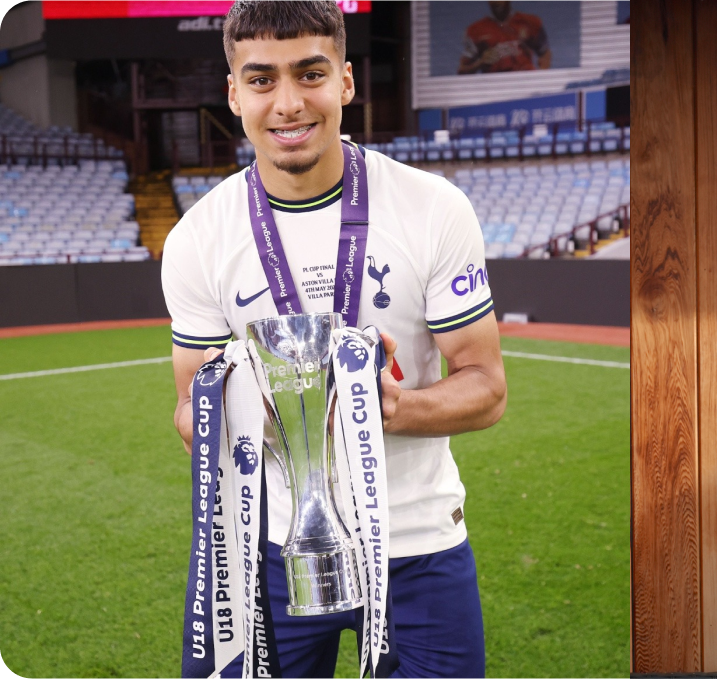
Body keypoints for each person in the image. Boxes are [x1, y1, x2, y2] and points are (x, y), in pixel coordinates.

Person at [162, 1, 505, 676]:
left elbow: (487, 388)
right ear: (234, 93)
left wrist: (388, 407)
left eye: (310, 74)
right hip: (265, 552)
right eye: (261, 80)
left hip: (416, 545)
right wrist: (237, 415)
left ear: (344, 82)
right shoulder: (198, 238)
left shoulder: (433, 208)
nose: (288, 103)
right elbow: (186, 413)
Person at [458, 0, 551, 75]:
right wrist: (480, 62)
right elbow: (462, 70)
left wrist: (541, 77)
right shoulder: (475, 31)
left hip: (526, 81)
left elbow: (544, 53)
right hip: (495, 86)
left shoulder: (531, 23)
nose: (495, 1)